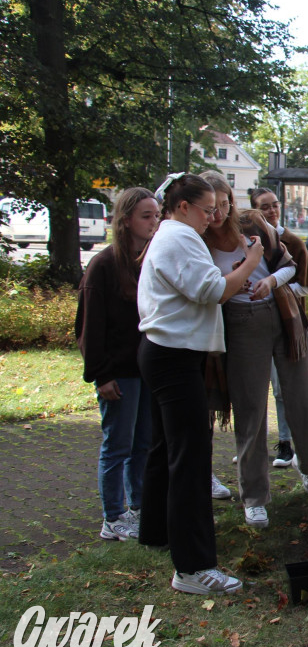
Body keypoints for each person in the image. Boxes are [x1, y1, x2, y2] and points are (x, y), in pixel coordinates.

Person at [137, 173, 264, 594]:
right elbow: (211, 290)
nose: (213, 217)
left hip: (166, 352)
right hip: (172, 357)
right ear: (183, 206)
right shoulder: (179, 237)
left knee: (165, 449)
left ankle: (156, 530)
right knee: (190, 460)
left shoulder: (175, 235)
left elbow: (199, 290)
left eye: (216, 209)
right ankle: (192, 569)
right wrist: (250, 259)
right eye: (208, 209)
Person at [203, 173, 308, 529]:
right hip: (240, 325)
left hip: (282, 316)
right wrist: (244, 272)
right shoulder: (197, 241)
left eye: (225, 203)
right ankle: (254, 497)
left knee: (306, 399)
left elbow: (288, 266)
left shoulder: (251, 224)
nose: (219, 213)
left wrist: (270, 280)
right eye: (212, 207)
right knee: (251, 410)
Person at [75, 187, 159, 542]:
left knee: (143, 443)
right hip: (118, 373)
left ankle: (137, 506)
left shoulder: (149, 259)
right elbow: (89, 326)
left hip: (144, 370)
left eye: (157, 215)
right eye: (146, 216)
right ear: (126, 221)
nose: (154, 223)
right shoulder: (104, 264)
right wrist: (101, 375)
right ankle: (112, 516)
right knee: (117, 445)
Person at [250, 187, 308, 467]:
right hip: (253, 326)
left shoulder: (292, 242)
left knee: (284, 389)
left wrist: (274, 287)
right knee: (253, 390)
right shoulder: (247, 241)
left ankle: (286, 444)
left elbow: (307, 287)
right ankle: (252, 445)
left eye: (274, 205)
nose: (271, 211)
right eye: (264, 207)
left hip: (287, 326)